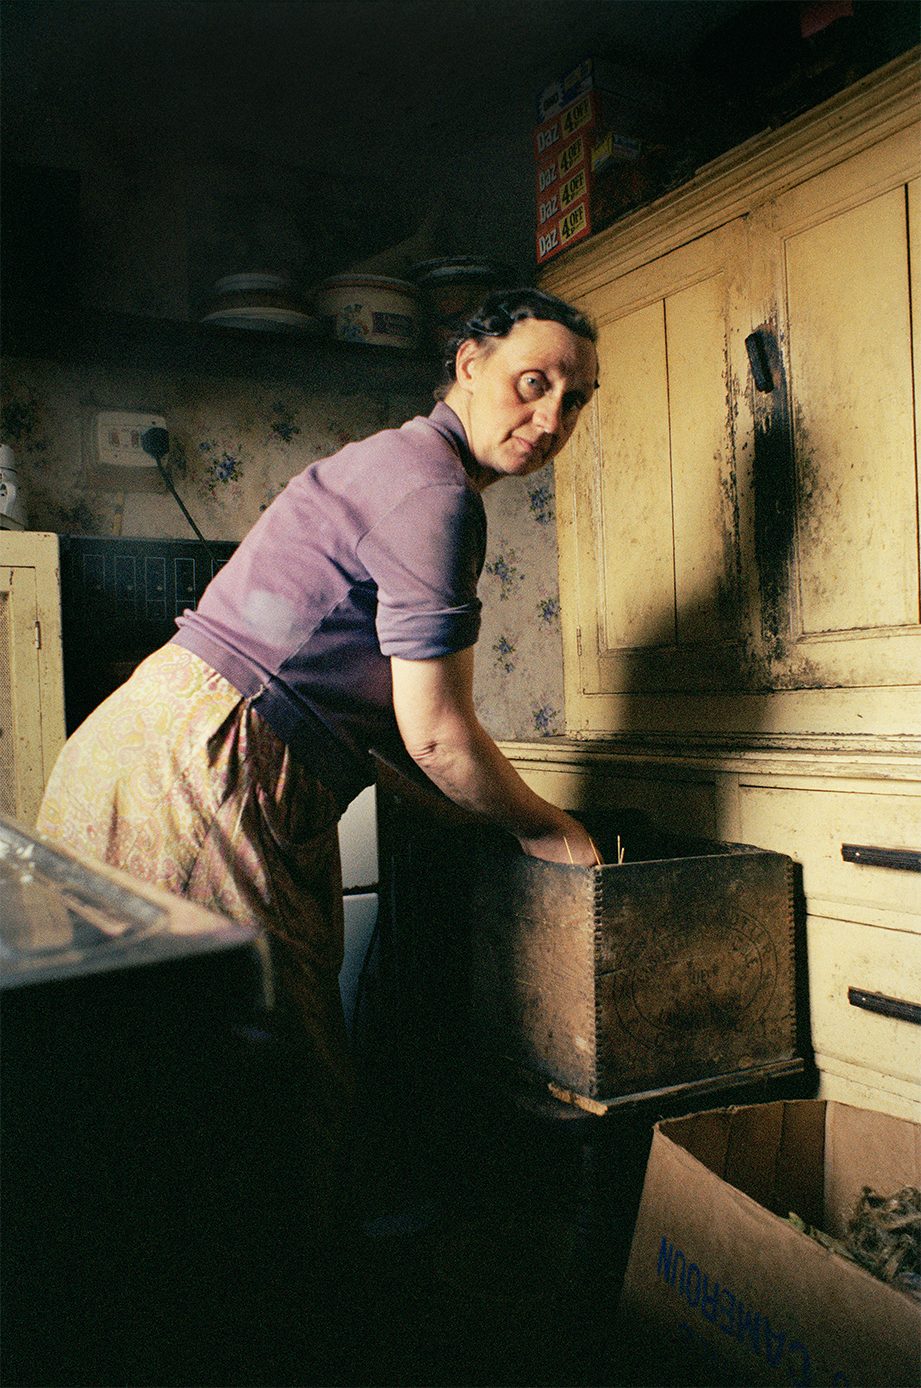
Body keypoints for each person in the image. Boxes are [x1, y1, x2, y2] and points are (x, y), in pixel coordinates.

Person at [35, 286, 600, 1231]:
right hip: (206, 767)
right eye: (532, 383)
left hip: (143, 745)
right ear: (468, 364)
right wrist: (552, 831)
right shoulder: (434, 492)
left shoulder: (395, 462)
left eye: (574, 399)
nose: (550, 420)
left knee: (158, 1070)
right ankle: (280, 1304)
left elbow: (391, 736)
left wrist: (475, 820)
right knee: (266, 1079)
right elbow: (436, 735)